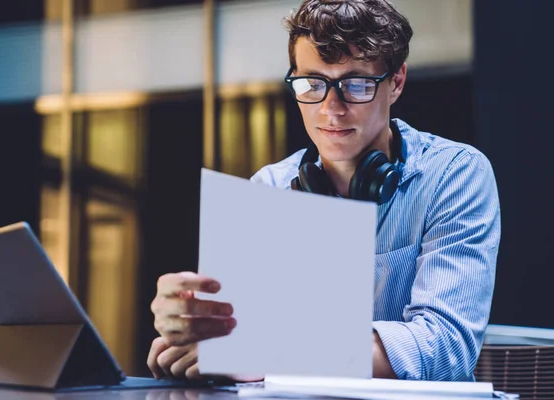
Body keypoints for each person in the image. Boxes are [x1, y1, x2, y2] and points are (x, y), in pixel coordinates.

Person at [147, 0, 500, 382]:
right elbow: (237, 336)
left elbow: (444, 348)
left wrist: (267, 353)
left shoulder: (455, 173)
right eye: (313, 83)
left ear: (396, 82)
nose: (331, 109)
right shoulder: (270, 188)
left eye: (357, 84)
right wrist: (190, 326)